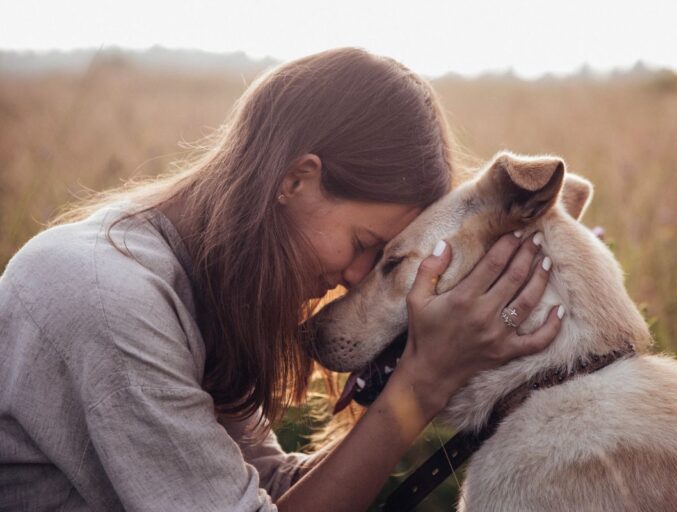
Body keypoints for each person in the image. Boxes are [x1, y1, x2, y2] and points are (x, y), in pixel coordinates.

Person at [0, 48, 562, 511]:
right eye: (365, 245)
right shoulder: (109, 300)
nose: (355, 278)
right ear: (297, 179)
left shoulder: (199, 285)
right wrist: (423, 382)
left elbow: (270, 492)